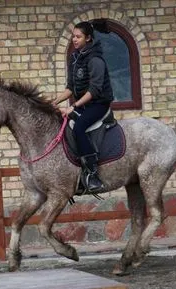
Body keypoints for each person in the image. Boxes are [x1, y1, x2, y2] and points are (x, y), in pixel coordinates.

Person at [52, 19, 114, 192]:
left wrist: (74, 107)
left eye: (78, 36)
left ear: (88, 38)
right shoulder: (75, 58)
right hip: (83, 104)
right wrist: (54, 102)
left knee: (79, 127)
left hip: (98, 104)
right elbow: (70, 88)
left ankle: (92, 173)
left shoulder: (96, 60)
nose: (74, 39)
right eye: (73, 36)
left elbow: (94, 90)